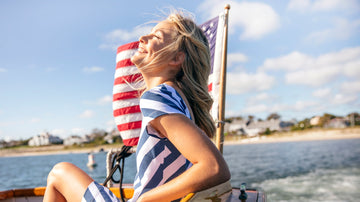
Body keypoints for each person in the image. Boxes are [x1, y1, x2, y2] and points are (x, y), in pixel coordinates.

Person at [43, 10, 231, 202]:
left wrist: (144, 200)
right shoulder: (180, 100)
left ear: (176, 59)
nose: (143, 37)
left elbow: (214, 167)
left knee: (59, 173)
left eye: (156, 36)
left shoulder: (159, 97)